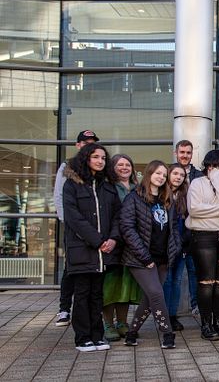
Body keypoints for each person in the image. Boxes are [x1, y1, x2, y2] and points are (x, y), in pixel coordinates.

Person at [62, 143, 120, 352]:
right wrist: (98, 240)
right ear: (86, 158)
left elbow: (117, 215)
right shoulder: (72, 184)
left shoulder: (107, 185)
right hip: (82, 249)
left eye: (103, 158)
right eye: (96, 157)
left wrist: (113, 239)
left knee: (97, 295)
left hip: (103, 252)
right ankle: (82, 338)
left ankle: (97, 336)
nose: (100, 161)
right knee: (82, 293)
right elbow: (73, 218)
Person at [120, 161, 182, 349]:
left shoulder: (167, 199)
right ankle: (167, 333)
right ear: (149, 174)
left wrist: (175, 247)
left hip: (163, 257)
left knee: (150, 298)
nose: (161, 177)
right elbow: (127, 228)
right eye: (158, 173)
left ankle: (131, 333)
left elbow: (173, 229)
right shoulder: (134, 198)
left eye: (164, 174)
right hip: (140, 258)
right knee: (156, 293)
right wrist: (144, 257)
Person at [186, 149, 219, 341]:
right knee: (206, 282)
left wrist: (209, 208)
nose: (213, 169)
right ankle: (206, 325)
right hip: (202, 237)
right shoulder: (196, 183)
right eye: (210, 165)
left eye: (217, 166)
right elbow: (193, 209)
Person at [53, 129, 99, 327]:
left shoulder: (97, 167)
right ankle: (64, 309)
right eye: (85, 142)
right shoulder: (68, 167)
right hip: (74, 229)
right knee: (70, 269)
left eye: (92, 142)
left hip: (94, 230)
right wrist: (69, 223)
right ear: (78, 145)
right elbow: (59, 197)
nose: (88, 145)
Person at [101, 154, 141, 342]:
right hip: (113, 241)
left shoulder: (138, 189)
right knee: (110, 285)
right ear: (112, 167)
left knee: (126, 284)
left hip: (132, 244)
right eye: (120, 165)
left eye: (128, 164)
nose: (124, 168)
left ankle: (123, 323)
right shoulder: (107, 188)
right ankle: (108, 323)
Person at [162, 163, 191, 331]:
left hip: (181, 246)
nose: (178, 177)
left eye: (181, 175)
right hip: (164, 247)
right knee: (166, 281)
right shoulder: (160, 194)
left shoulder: (185, 195)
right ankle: (163, 316)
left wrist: (185, 244)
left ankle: (173, 316)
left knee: (177, 281)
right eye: (175, 174)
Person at [174, 140, 201, 317]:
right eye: (182, 152)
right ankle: (172, 311)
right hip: (175, 229)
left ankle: (196, 306)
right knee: (174, 275)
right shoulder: (170, 173)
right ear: (176, 152)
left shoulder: (199, 175)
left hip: (196, 230)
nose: (185, 155)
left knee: (195, 271)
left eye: (188, 152)